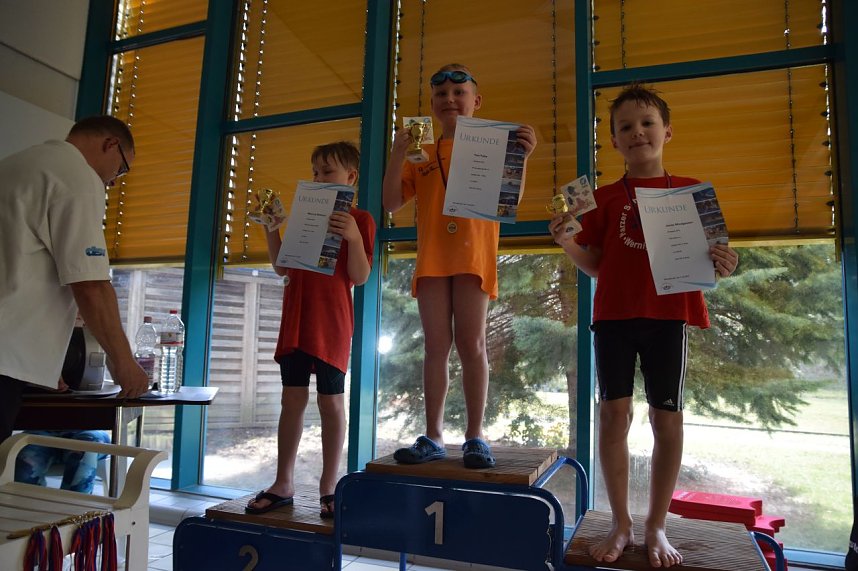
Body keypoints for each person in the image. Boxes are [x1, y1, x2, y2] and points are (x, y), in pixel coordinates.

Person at [549, 83, 739, 568]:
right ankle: (621, 523)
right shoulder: (601, 199)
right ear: (614, 140)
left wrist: (725, 261)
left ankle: (656, 524)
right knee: (614, 416)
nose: (638, 132)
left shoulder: (692, 193)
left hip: (668, 318)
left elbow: (715, 259)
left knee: (666, 418)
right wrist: (567, 243)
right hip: (614, 318)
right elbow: (596, 265)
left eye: (647, 123)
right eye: (626, 127)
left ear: (667, 131)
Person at [382, 64, 537, 469]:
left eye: (459, 92)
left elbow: (509, 200)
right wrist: (397, 153)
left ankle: (474, 436)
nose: (449, 99)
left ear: (476, 101)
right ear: (432, 104)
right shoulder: (420, 151)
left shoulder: (494, 144)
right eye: (441, 94)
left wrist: (521, 156)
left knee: (472, 345)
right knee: (435, 347)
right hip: (433, 257)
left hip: (473, 256)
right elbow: (391, 202)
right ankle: (433, 435)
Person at [0, 116, 151, 445]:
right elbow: (90, 284)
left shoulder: (14, 165)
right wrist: (124, 362)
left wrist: (39, 361)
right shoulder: (78, 177)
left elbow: (18, 266)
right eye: (121, 169)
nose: (114, 182)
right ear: (110, 144)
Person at [245, 141, 376, 518]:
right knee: (292, 400)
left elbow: (360, 276)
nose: (318, 178)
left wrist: (353, 236)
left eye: (327, 172)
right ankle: (283, 483)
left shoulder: (361, 219)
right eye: (315, 172)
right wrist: (272, 228)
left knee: (331, 402)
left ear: (350, 177)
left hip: (331, 322)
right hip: (296, 319)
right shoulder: (305, 215)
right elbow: (281, 267)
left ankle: (330, 485)